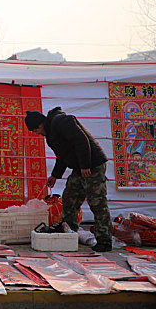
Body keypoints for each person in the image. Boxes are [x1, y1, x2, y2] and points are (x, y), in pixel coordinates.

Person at [25, 107, 112, 252]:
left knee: (96, 202)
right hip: (79, 168)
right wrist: (55, 175)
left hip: (93, 165)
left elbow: (81, 140)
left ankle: (104, 240)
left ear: (39, 125)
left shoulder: (61, 121)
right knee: (69, 197)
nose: (37, 134)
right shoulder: (51, 135)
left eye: (35, 131)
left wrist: (85, 165)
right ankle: (69, 234)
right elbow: (62, 156)